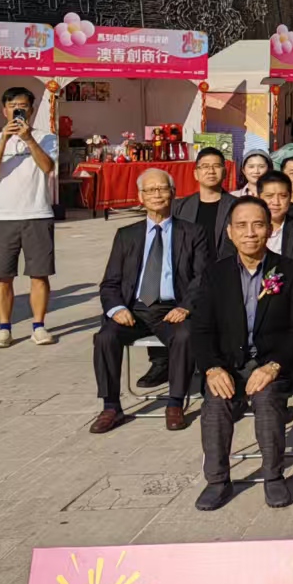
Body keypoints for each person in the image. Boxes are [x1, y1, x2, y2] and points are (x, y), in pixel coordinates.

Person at [191, 196, 293, 511]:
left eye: (258, 225)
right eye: (241, 225)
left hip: (273, 365)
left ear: (270, 229)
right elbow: (201, 330)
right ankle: (217, 481)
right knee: (215, 403)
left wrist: (273, 366)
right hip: (228, 366)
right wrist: (212, 369)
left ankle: (273, 476)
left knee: (267, 399)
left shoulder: (291, 271)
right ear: (229, 232)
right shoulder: (215, 274)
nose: (250, 233)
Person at [91, 168, 210, 433]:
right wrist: (116, 309)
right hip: (134, 309)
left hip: (172, 308)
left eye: (162, 189)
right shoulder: (126, 235)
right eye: (150, 190)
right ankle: (111, 406)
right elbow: (110, 282)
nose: (157, 194)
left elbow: (202, 278)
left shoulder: (192, 233)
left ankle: (175, 403)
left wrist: (186, 307)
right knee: (105, 337)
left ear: (173, 193)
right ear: (140, 197)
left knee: (184, 336)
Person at [0, 86, 59, 349]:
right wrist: (5, 140)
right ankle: (4, 328)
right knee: (2, 276)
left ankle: (39, 326)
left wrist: (28, 140)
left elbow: (48, 167)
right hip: (3, 216)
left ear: (32, 110)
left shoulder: (46, 137)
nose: (18, 110)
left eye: (23, 106)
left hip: (38, 213)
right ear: (4, 110)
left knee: (39, 274)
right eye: (13, 106)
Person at [173, 147, 236, 256]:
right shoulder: (179, 207)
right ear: (196, 174)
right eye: (205, 166)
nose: (211, 171)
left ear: (225, 172)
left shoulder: (237, 206)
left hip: (225, 265)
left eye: (216, 166)